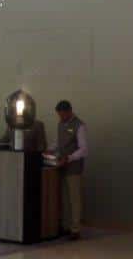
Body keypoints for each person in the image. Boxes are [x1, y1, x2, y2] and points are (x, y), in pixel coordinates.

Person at [47, 100, 87, 239]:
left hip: (74, 168)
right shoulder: (60, 124)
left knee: (74, 199)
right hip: (61, 166)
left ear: (69, 111)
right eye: (59, 115)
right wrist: (50, 150)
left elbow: (83, 149)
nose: (60, 117)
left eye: (62, 114)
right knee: (64, 199)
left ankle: (75, 230)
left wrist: (69, 158)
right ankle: (65, 227)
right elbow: (59, 142)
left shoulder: (79, 125)